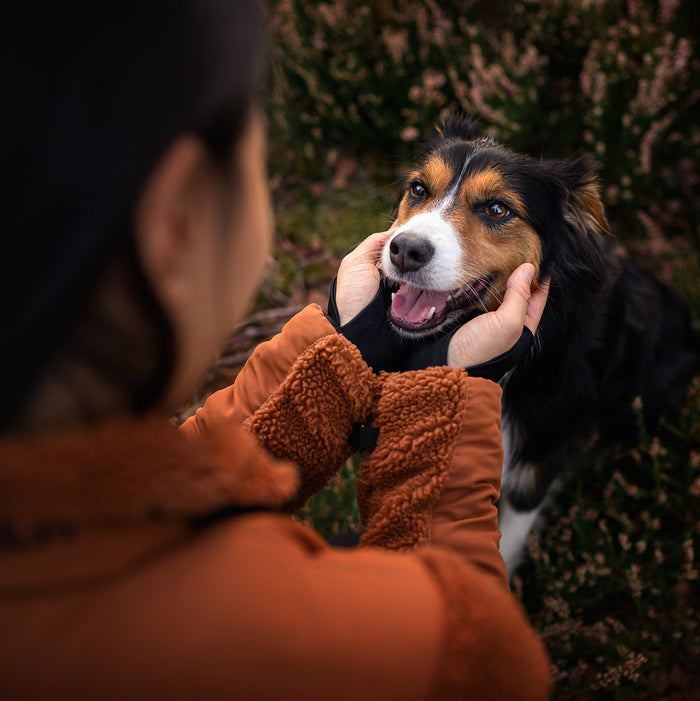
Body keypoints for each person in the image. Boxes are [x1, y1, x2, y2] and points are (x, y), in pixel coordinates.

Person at [0, 2, 551, 699]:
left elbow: (152, 494)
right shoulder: (339, 643)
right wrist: (449, 394)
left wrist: (340, 348)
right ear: (175, 225)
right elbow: (479, 649)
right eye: (258, 170)